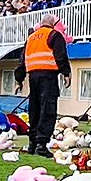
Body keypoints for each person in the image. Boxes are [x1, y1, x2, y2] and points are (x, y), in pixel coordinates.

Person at [18, 14, 71, 158]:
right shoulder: (54, 35)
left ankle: (32, 143)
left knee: (34, 109)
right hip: (48, 76)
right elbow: (61, 56)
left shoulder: (31, 38)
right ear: (53, 23)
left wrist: (19, 78)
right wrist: (66, 73)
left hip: (32, 77)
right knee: (47, 110)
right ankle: (41, 144)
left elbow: (22, 60)